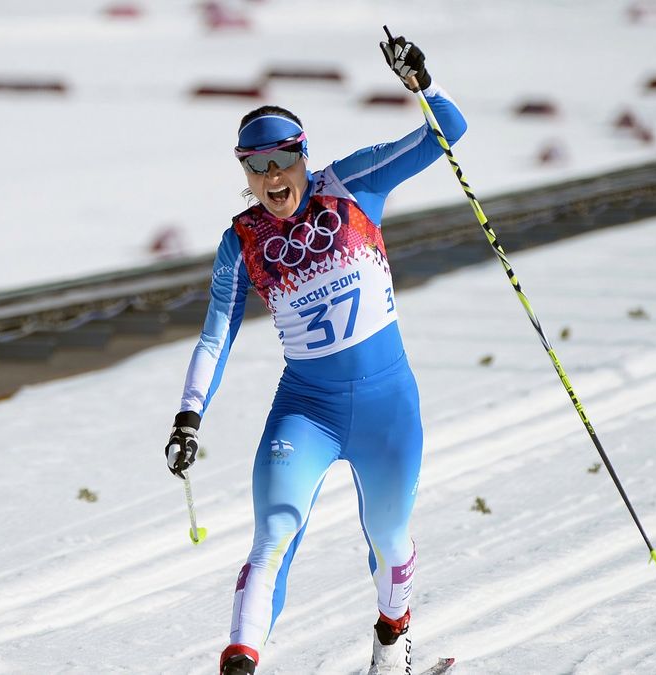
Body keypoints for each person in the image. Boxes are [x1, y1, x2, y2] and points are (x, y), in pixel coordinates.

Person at [165, 31, 466, 675]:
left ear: (304, 156)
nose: (273, 177)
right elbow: (215, 334)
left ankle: (392, 646)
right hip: (308, 409)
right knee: (273, 532)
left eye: (284, 159)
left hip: (388, 404)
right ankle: (241, 659)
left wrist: (422, 82)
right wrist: (189, 416)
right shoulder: (239, 241)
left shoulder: (353, 183)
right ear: (244, 173)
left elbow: (448, 129)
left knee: (389, 539)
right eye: (256, 165)